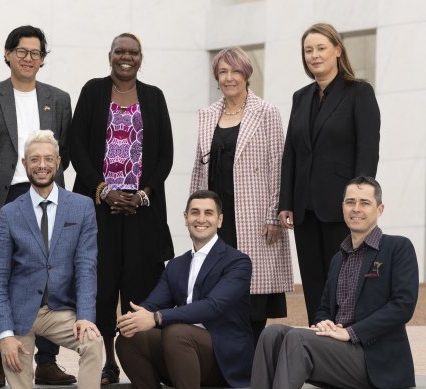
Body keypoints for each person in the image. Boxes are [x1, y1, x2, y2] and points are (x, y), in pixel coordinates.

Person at [0, 25, 73, 387]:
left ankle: (47, 360)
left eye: (36, 53)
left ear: (43, 59)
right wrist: (0, 185)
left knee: (49, 276)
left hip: (47, 196)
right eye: (22, 51)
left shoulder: (58, 99)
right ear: (7, 54)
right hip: (6, 198)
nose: (29, 58)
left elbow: (65, 154)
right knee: (2, 277)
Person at [69, 32, 174, 384]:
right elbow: (77, 148)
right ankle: (104, 362)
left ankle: (142, 362)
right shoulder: (92, 92)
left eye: (133, 52)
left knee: (140, 287)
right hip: (98, 209)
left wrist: (141, 194)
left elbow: (165, 155)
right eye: (120, 51)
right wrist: (104, 190)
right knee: (99, 285)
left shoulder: (154, 97)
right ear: (110, 55)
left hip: (142, 211)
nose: (126, 57)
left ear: (141, 58)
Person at [252, 176, 418, 389]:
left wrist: (351, 332)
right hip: (338, 351)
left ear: (380, 209)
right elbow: (323, 309)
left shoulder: (398, 248)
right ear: (342, 207)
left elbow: (403, 306)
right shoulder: (338, 258)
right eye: (350, 202)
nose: (356, 208)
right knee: (271, 335)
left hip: (375, 360)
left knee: (297, 338)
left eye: (364, 202)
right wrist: (324, 322)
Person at [278, 23, 380, 324]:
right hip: (305, 208)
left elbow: (368, 151)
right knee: (313, 285)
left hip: (342, 207)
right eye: (308, 50)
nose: (314, 55)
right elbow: (291, 154)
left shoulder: (359, 92)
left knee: (344, 283)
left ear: (338, 50)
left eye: (321, 48)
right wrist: (286, 201)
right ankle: (318, 348)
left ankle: (344, 350)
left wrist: (359, 202)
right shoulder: (301, 97)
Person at [190, 47, 293, 343]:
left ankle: (250, 365)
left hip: (254, 215)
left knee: (253, 293)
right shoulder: (208, 114)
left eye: (235, 71)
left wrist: (275, 214)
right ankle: (225, 360)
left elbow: (278, 164)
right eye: (223, 72)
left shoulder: (266, 112)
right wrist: (195, 214)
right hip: (217, 217)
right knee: (218, 289)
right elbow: (200, 166)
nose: (229, 77)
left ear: (247, 74)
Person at [0, 130, 102, 388]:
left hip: (60, 311)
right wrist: (4, 334)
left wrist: (85, 316)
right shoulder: (9, 213)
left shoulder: (81, 207)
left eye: (48, 159)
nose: (42, 165)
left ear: (58, 162)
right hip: (20, 314)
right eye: (35, 159)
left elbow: (86, 267)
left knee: (94, 342)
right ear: (24, 164)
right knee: (14, 360)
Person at [116, 190, 253, 388]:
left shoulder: (238, 262)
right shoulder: (176, 265)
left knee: (177, 333)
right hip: (180, 351)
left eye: (208, 213)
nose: (201, 219)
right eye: (195, 212)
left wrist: (157, 318)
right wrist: (133, 319)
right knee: (129, 337)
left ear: (220, 220)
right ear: (186, 218)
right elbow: (152, 304)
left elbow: (213, 306)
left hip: (224, 358)